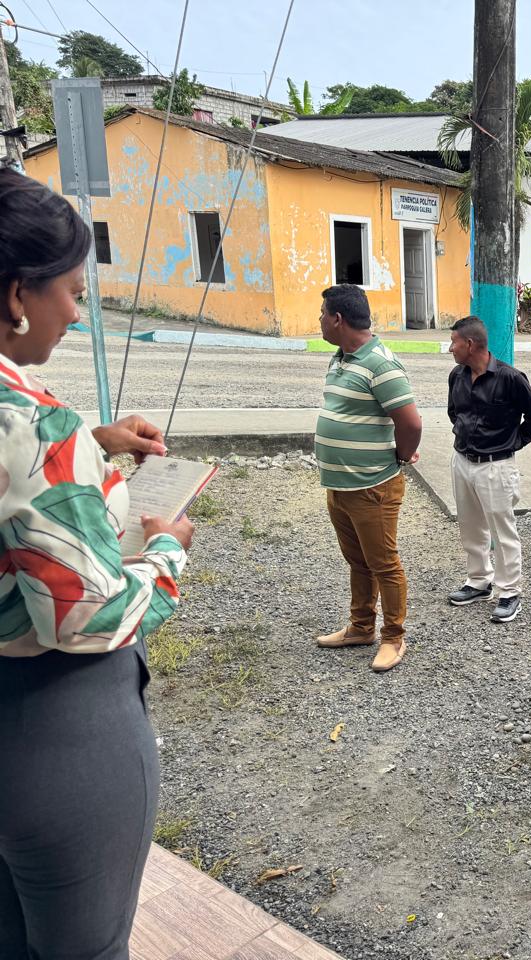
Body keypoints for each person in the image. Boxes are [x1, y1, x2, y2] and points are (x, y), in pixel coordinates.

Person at [0, 168, 195, 958]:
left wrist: (96, 445)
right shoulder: (33, 421)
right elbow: (85, 616)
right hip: (56, 727)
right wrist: (168, 550)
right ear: (19, 292)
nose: (77, 315)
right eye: (73, 293)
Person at [312, 284, 422, 673]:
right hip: (340, 485)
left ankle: (393, 637)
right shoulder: (341, 359)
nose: (319, 320)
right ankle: (361, 627)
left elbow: (410, 423)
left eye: (322, 314)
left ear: (338, 319)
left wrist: (402, 455)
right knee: (358, 561)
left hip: (372, 486)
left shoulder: (381, 364)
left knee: (383, 563)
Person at [446, 316, 531, 623]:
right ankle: (479, 581)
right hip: (463, 461)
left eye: (454, 342)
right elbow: (454, 412)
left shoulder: (510, 378)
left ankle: (509, 591)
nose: (450, 348)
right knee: (470, 525)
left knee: (503, 531)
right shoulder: (457, 376)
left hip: (496, 466)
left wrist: (512, 443)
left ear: (470, 344)